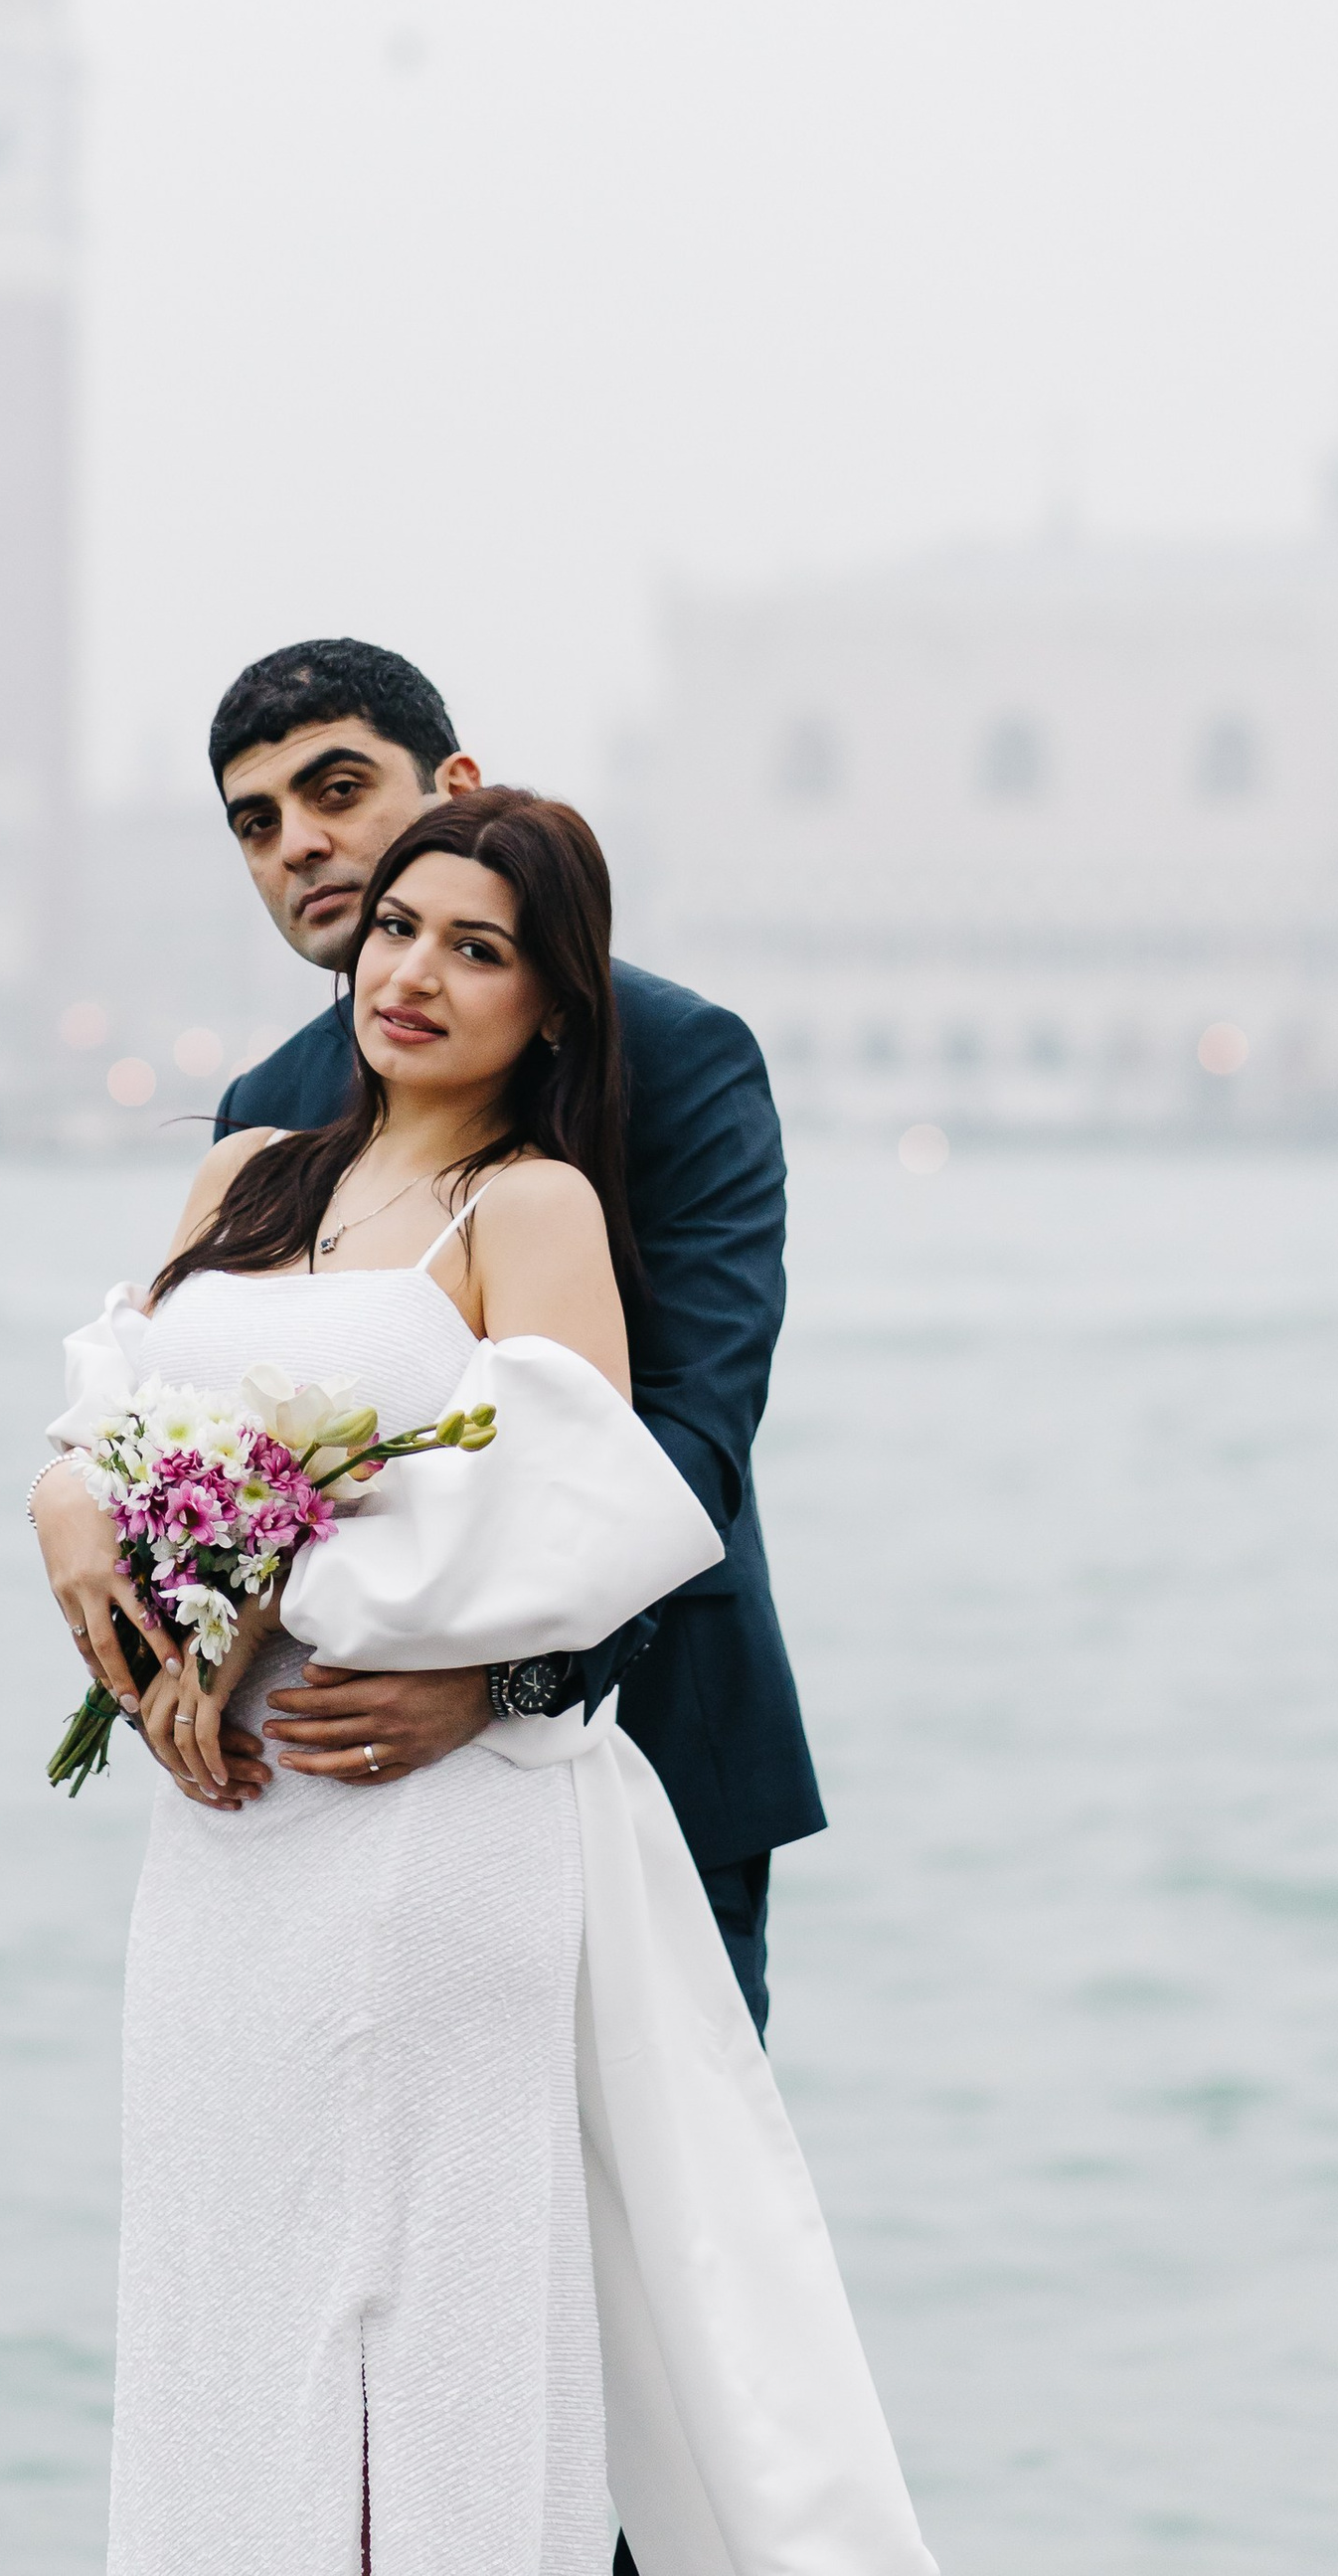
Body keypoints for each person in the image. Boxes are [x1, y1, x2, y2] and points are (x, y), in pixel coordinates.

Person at [29, 791, 932, 2576]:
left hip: (427, 1840)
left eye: (479, 950)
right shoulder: (243, 1173)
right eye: (397, 933)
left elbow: (581, 1511)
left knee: (425, 2313)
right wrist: (79, 1502)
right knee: (225, 2280)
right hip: (226, 1853)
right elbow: (113, 1411)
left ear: (551, 1006)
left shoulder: (530, 1207)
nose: (414, 973)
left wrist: (341, 1604)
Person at [202, 635, 820, 2039]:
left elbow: (688, 1437)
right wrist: (76, 1508)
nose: (303, 844)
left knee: (655, 2242)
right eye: (258, 823)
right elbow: (196, 1418)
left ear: (455, 786)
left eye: (338, 788)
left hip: (643, 1741)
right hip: (313, 1783)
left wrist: (500, 1686)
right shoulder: (265, 1108)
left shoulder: (682, 1059)